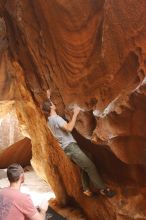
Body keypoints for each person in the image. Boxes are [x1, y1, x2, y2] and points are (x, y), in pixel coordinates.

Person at [42, 97, 116, 198]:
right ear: (51, 107)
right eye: (52, 103)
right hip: (71, 147)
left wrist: (48, 96)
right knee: (90, 166)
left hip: (68, 148)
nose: (54, 103)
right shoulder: (56, 119)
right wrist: (76, 114)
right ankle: (103, 189)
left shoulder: (49, 121)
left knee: (87, 159)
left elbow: (48, 106)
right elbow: (69, 128)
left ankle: (86, 189)